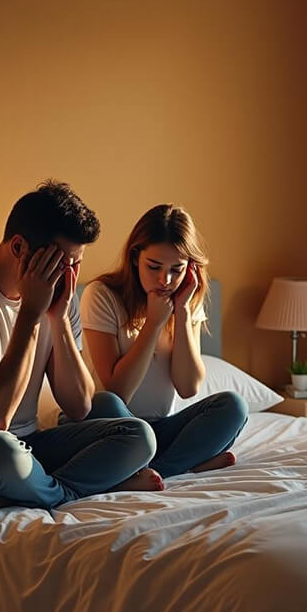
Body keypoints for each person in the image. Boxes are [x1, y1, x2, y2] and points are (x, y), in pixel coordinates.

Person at [0, 180, 162, 517]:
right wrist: (30, 314)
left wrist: (59, 318)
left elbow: (79, 405)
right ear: (19, 247)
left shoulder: (60, 295)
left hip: (29, 445)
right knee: (0, 449)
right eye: (60, 263)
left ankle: (35, 493)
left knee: (138, 434)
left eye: (76, 264)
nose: (69, 275)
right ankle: (82, 485)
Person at [80, 204, 248, 480]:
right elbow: (118, 390)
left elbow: (188, 387)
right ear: (135, 257)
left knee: (233, 406)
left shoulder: (186, 301)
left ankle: (151, 472)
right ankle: (189, 463)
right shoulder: (102, 295)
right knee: (105, 402)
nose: (165, 280)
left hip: (161, 428)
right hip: (113, 428)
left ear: (189, 269)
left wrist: (181, 314)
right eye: (154, 266)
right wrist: (154, 323)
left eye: (177, 269)